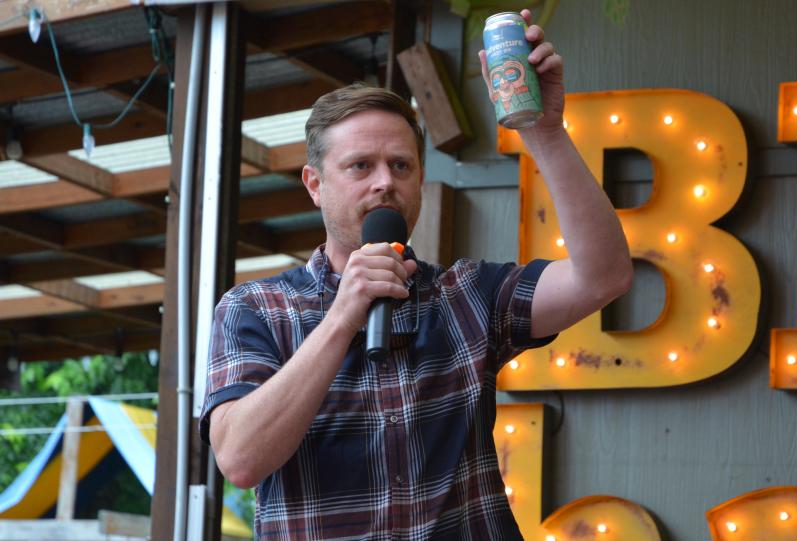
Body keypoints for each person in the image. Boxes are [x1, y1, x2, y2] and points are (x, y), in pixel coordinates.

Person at [200, 9, 632, 540]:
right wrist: (342, 317)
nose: (385, 182)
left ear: (420, 180)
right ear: (314, 184)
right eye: (361, 166)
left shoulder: (467, 294)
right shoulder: (255, 308)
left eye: (401, 165)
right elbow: (240, 460)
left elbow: (603, 277)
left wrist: (545, 133)